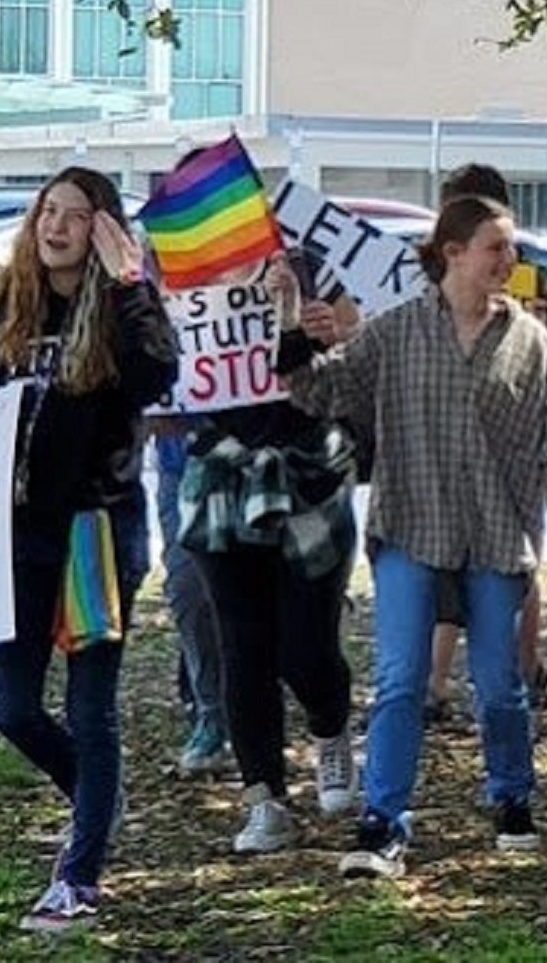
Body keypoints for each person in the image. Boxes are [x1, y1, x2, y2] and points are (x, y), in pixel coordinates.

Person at [275, 194, 547, 878]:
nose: (508, 259)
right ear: (452, 252)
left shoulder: (529, 338)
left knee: (498, 682)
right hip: (410, 526)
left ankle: (513, 795)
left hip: (495, 531)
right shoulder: (397, 332)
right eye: (495, 246)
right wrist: (288, 319)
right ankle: (382, 821)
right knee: (401, 679)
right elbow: (316, 389)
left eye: (510, 247)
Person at [0, 167, 179, 931]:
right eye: (47, 212)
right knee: (13, 708)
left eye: (75, 215)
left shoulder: (124, 305)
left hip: (96, 533)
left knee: (91, 708)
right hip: (20, 534)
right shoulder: (8, 304)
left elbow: (156, 375)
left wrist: (131, 282)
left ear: (102, 228)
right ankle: (98, 797)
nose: (56, 226)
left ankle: (79, 874)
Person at [179, 337, 361, 853]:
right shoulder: (184, 274)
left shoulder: (315, 271)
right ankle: (265, 800)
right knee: (242, 647)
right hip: (219, 473)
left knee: (306, 650)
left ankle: (330, 728)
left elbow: (361, 343)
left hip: (310, 477)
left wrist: (325, 328)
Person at [422, 164, 547, 716]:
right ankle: (436, 684)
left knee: (517, 564)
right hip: (448, 445)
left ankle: (522, 669)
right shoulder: (435, 278)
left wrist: (532, 336)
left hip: (518, 450)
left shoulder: (534, 277)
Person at [149, 417, 229, 776]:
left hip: (253, 456)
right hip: (179, 468)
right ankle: (210, 713)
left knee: (249, 596)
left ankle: (252, 710)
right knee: (189, 593)